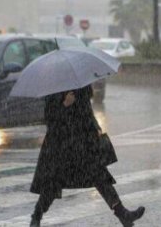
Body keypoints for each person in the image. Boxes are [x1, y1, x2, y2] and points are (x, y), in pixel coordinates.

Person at [29, 85, 145, 227]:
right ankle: (36, 216)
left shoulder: (80, 85)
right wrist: (65, 104)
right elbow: (50, 119)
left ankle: (123, 214)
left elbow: (86, 109)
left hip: (82, 142)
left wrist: (95, 125)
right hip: (60, 145)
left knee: (100, 176)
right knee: (52, 183)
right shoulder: (54, 88)